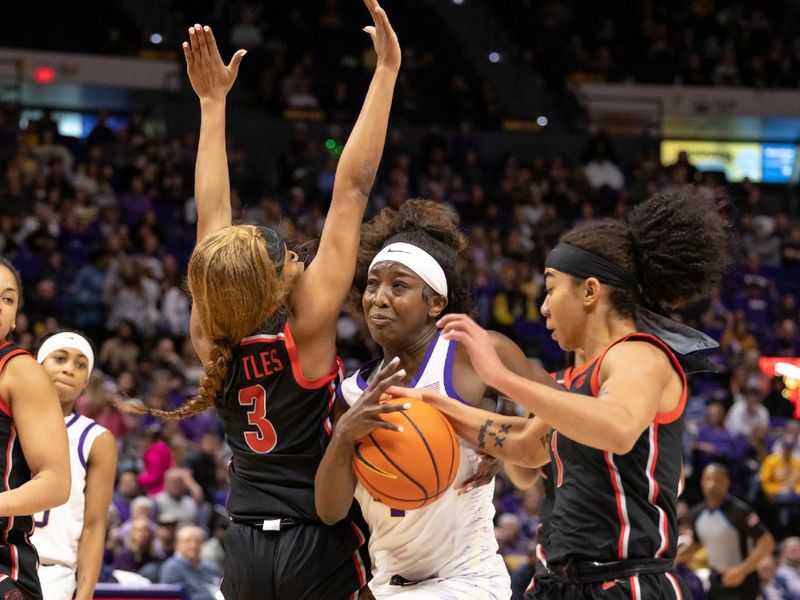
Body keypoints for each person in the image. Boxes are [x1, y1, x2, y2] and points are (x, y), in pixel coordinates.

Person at [132, 4, 400, 598]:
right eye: (283, 254)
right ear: (275, 284)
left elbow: (212, 218)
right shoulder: (305, 326)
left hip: (246, 542)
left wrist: (211, 106)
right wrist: (384, 74)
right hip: (316, 537)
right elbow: (352, 188)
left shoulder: (211, 333)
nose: (294, 252)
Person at [390, 189, 729, 598]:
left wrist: (504, 376)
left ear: (589, 291)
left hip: (625, 581)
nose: (544, 306)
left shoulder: (639, 355)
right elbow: (525, 451)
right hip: (555, 581)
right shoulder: (568, 383)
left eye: (551, 289)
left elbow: (618, 428)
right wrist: (432, 404)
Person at [315, 200, 559, 599]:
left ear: (436, 303)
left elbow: (565, 408)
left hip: (468, 580)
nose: (379, 297)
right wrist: (343, 435)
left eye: (399, 286)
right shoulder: (352, 394)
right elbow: (330, 511)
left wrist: (500, 440)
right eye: (373, 284)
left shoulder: (471, 354)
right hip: (387, 585)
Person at [0, 258, 70, 598]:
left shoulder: (20, 371)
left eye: (8, 299)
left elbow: (55, 483)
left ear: (14, 319)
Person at [31, 330, 117, 600]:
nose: (69, 369)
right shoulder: (8, 423)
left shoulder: (95, 438)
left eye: (80, 364)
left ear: (87, 380)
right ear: (37, 365)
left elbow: (94, 525)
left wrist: (85, 594)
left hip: (54, 573)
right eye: (60, 358)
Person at [676, 464, 774, 600]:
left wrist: (741, 571)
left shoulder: (740, 511)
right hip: (716, 581)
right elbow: (698, 543)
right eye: (708, 479)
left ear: (727, 483)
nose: (712, 485)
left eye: (717, 480)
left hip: (743, 582)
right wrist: (673, 558)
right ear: (702, 482)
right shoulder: (697, 513)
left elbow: (767, 542)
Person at [159, 525, 221, 600]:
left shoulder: (210, 566)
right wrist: (214, 594)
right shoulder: (171, 568)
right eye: (188, 541)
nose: (193, 545)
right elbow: (179, 598)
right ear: (177, 544)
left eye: (198, 541)